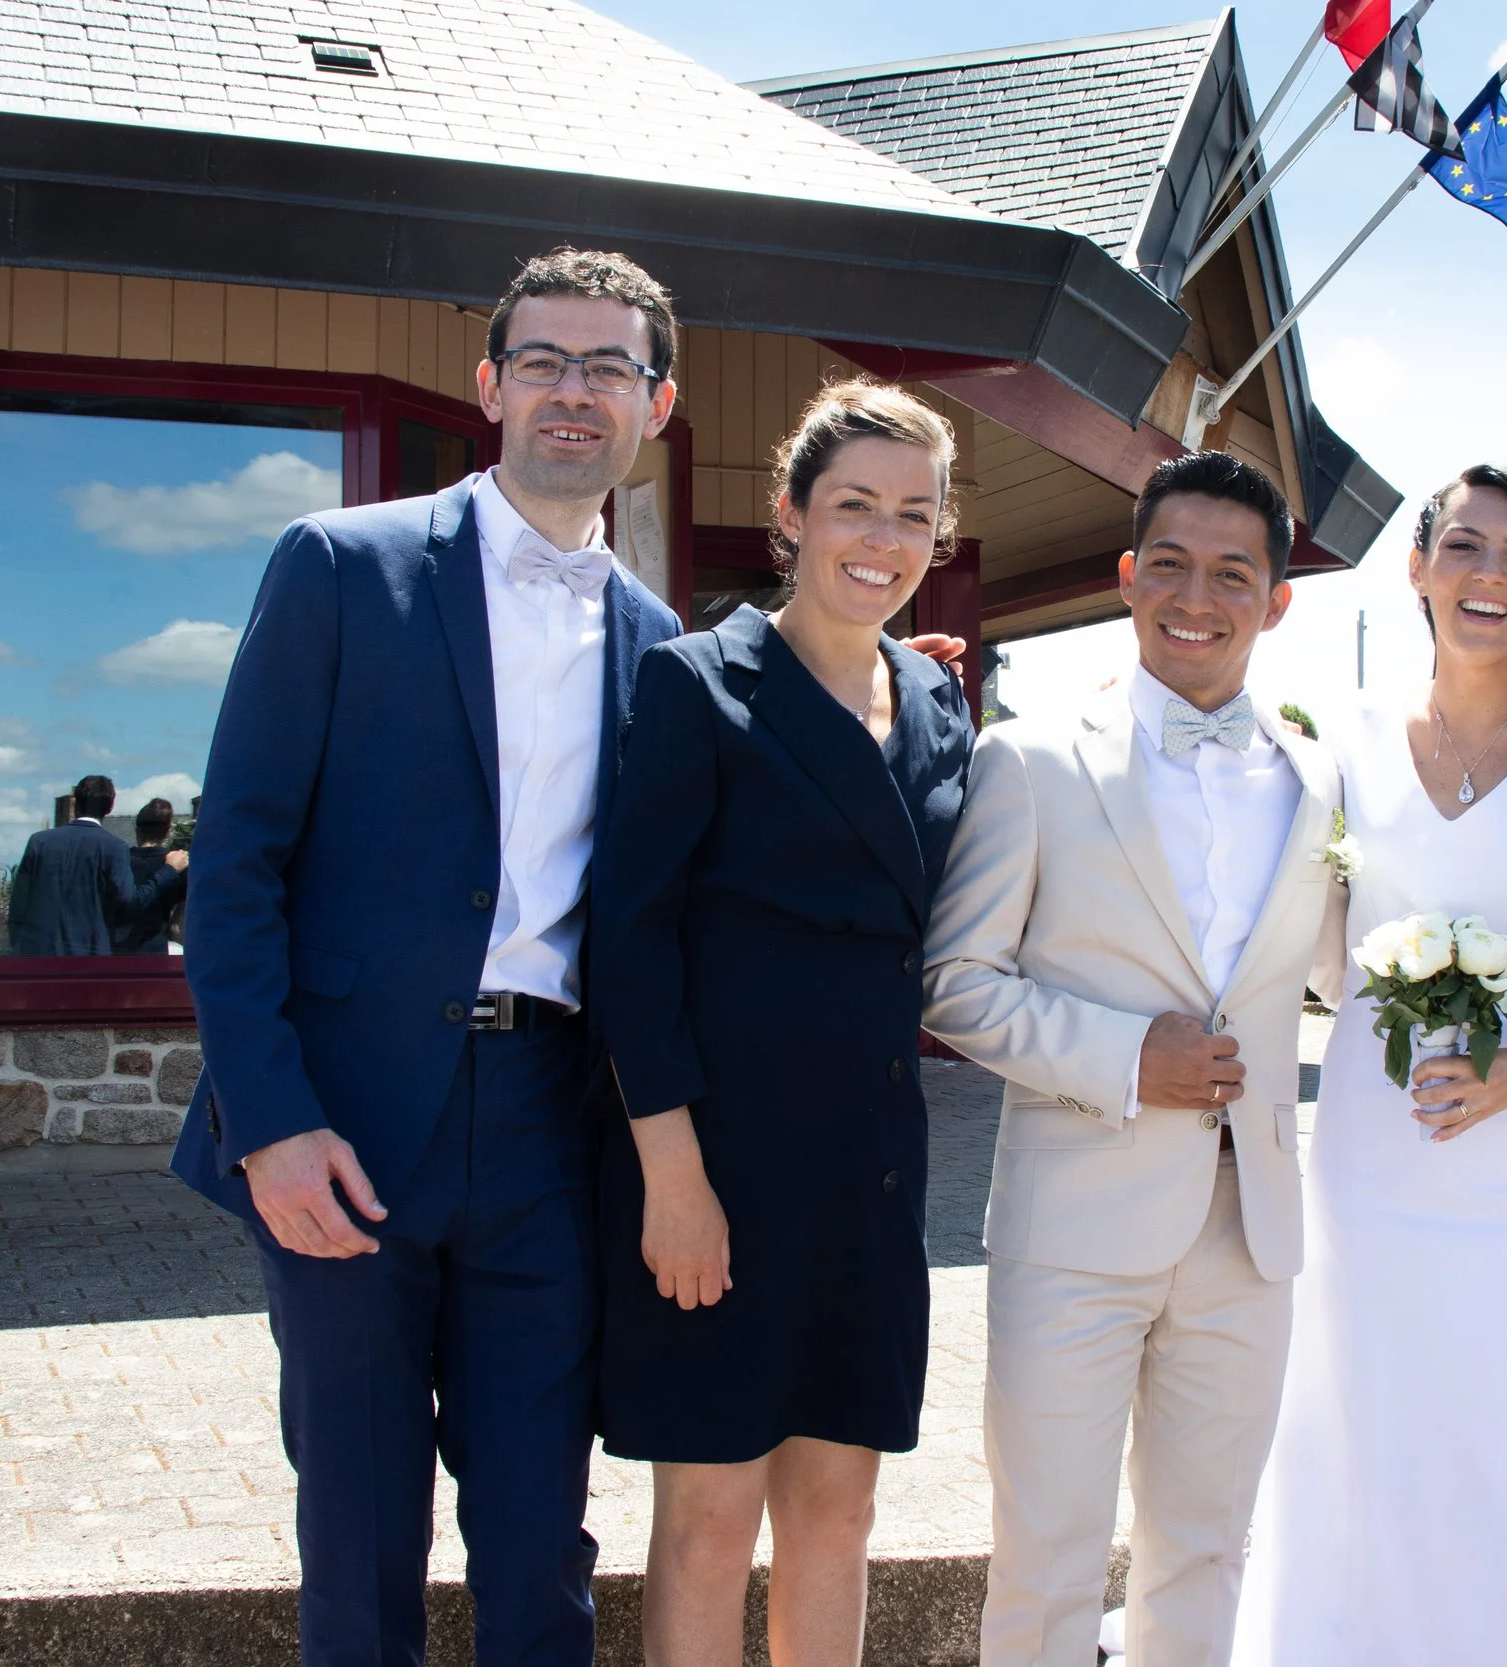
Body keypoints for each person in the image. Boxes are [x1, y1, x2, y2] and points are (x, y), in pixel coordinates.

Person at [167, 249, 691, 1667]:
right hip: (345, 1122)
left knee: (540, 1546)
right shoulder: (343, 566)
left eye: (607, 368)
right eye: (544, 360)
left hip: (546, 1135)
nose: (573, 391)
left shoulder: (665, 648)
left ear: (656, 402)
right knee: (358, 1541)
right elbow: (236, 870)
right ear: (490, 384)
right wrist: (267, 1118)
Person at [1231, 466, 1507, 1666]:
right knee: (1368, 1407)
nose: (1489, 574)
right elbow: (1307, 933)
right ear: (1417, 566)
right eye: (1464, 546)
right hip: (1376, 1140)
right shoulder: (1344, 746)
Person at [924, 450, 1336, 1667]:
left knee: (1205, 1545)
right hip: (1073, 1226)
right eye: (1168, 566)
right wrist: (1122, 1055)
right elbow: (955, 982)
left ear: (1276, 600)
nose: (1193, 598)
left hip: (1250, 1227)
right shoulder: (1034, 758)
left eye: (1229, 573)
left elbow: (1354, 971)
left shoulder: (1318, 782)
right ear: (1126, 576)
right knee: (1043, 1553)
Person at [588, 379, 975, 1667]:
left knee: (841, 1503)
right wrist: (672, 1176)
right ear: (791, 514)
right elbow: (627, 941)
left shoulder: (935, 704)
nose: (883, 536)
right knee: (707, 1516)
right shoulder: (699, 682)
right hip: (719, 1161)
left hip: (867, 1164)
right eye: (854, 503)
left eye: (913, 512)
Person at [5, 774, 186, 956]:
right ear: (110, 807)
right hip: (90, 955)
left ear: (76, 802)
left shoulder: (39, 841)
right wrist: (168, 872)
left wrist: (17, 943)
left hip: (37, 952)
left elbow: (19, 902)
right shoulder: (114, 847)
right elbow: (128, 903)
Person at [112, 797, 185, 954]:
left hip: (117, 951)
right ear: (169, 831)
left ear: (136, 829)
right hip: (155, 950)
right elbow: (179, 923)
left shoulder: (119, 861)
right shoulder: (178, 864)